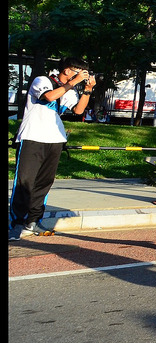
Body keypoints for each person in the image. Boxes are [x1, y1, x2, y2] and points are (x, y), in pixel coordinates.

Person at [10, 58, 96, 240]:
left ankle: (33, 221)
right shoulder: (42, 80)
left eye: (83, 72)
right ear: (66, 70)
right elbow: (48, 97)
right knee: (24, 182)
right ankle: (16, 223)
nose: (81, 75)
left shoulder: (70, 91)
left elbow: (79, 111)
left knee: (44, 183)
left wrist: (87, 90)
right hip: (32, 137)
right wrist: (73, 82)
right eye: (78, 70)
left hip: (55, 140)